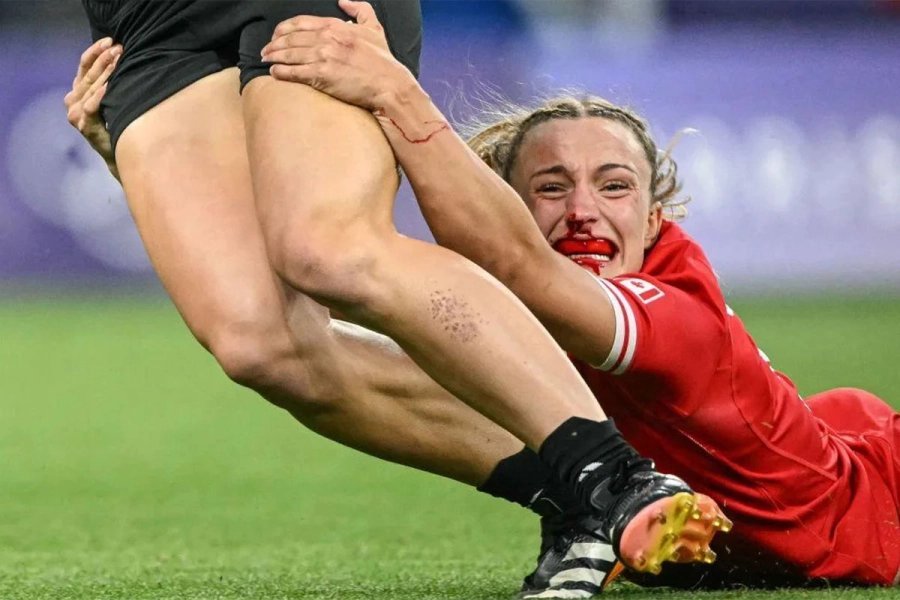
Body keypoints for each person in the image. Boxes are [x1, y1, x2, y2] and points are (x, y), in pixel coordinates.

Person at [69, 0, 728, 593]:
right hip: (144, 23)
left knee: (328, 247)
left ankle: (617, 477)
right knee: (258, 342)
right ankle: (571, 498)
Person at [251, 2, 900, 589]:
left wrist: (394, 91)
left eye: (615, 187)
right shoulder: (500, 323)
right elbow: (318, 351)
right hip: (807, 441)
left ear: (654, 221)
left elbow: (515, 262)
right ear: (509, 206)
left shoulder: (678, 322)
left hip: (878, 505)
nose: (584, 212)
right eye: (552, 189)